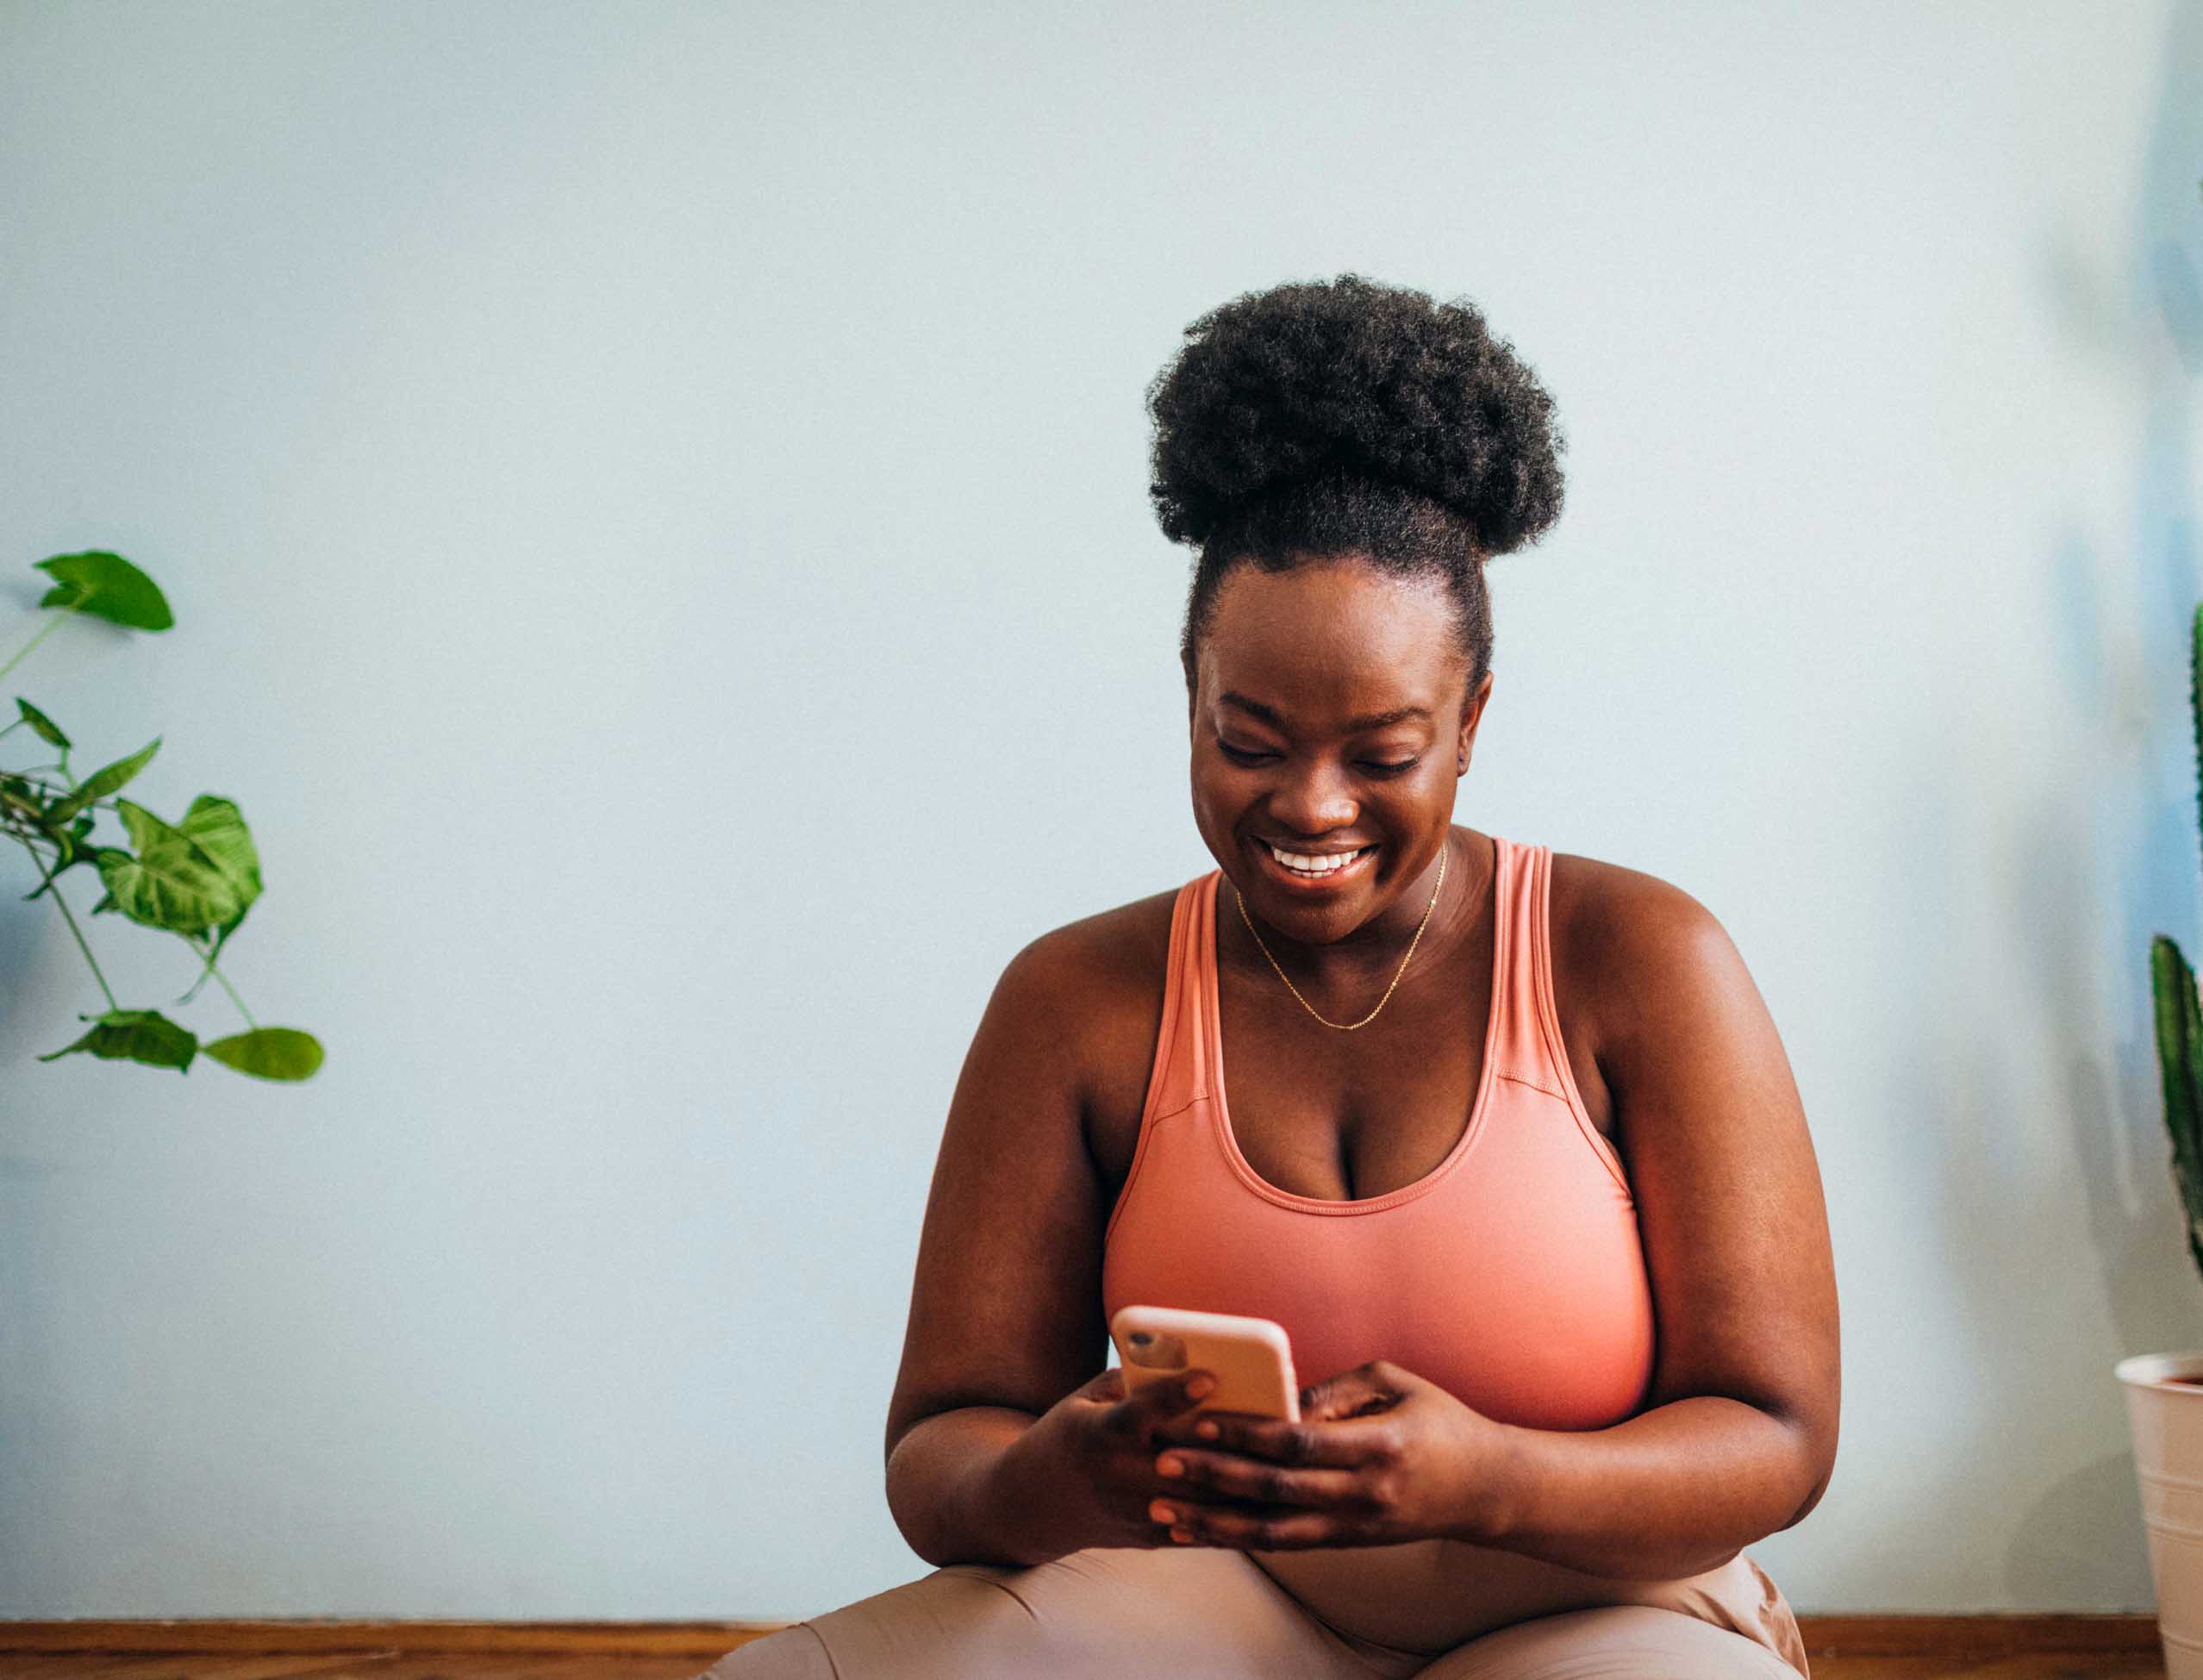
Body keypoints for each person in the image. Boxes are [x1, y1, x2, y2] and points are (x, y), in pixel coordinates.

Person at [696, 272, 1838, 1678]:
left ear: (1470, 720)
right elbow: (942, 1452)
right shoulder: (1077, 1001)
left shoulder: (1641, 959)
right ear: (1188, 694)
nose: (1309, 805)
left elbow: (1778, 1433)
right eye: (1249, 739)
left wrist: (1485, 1479)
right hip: (1213, 1608)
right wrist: (1059, 1471)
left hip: (1589, 1609)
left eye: (1380, 752)